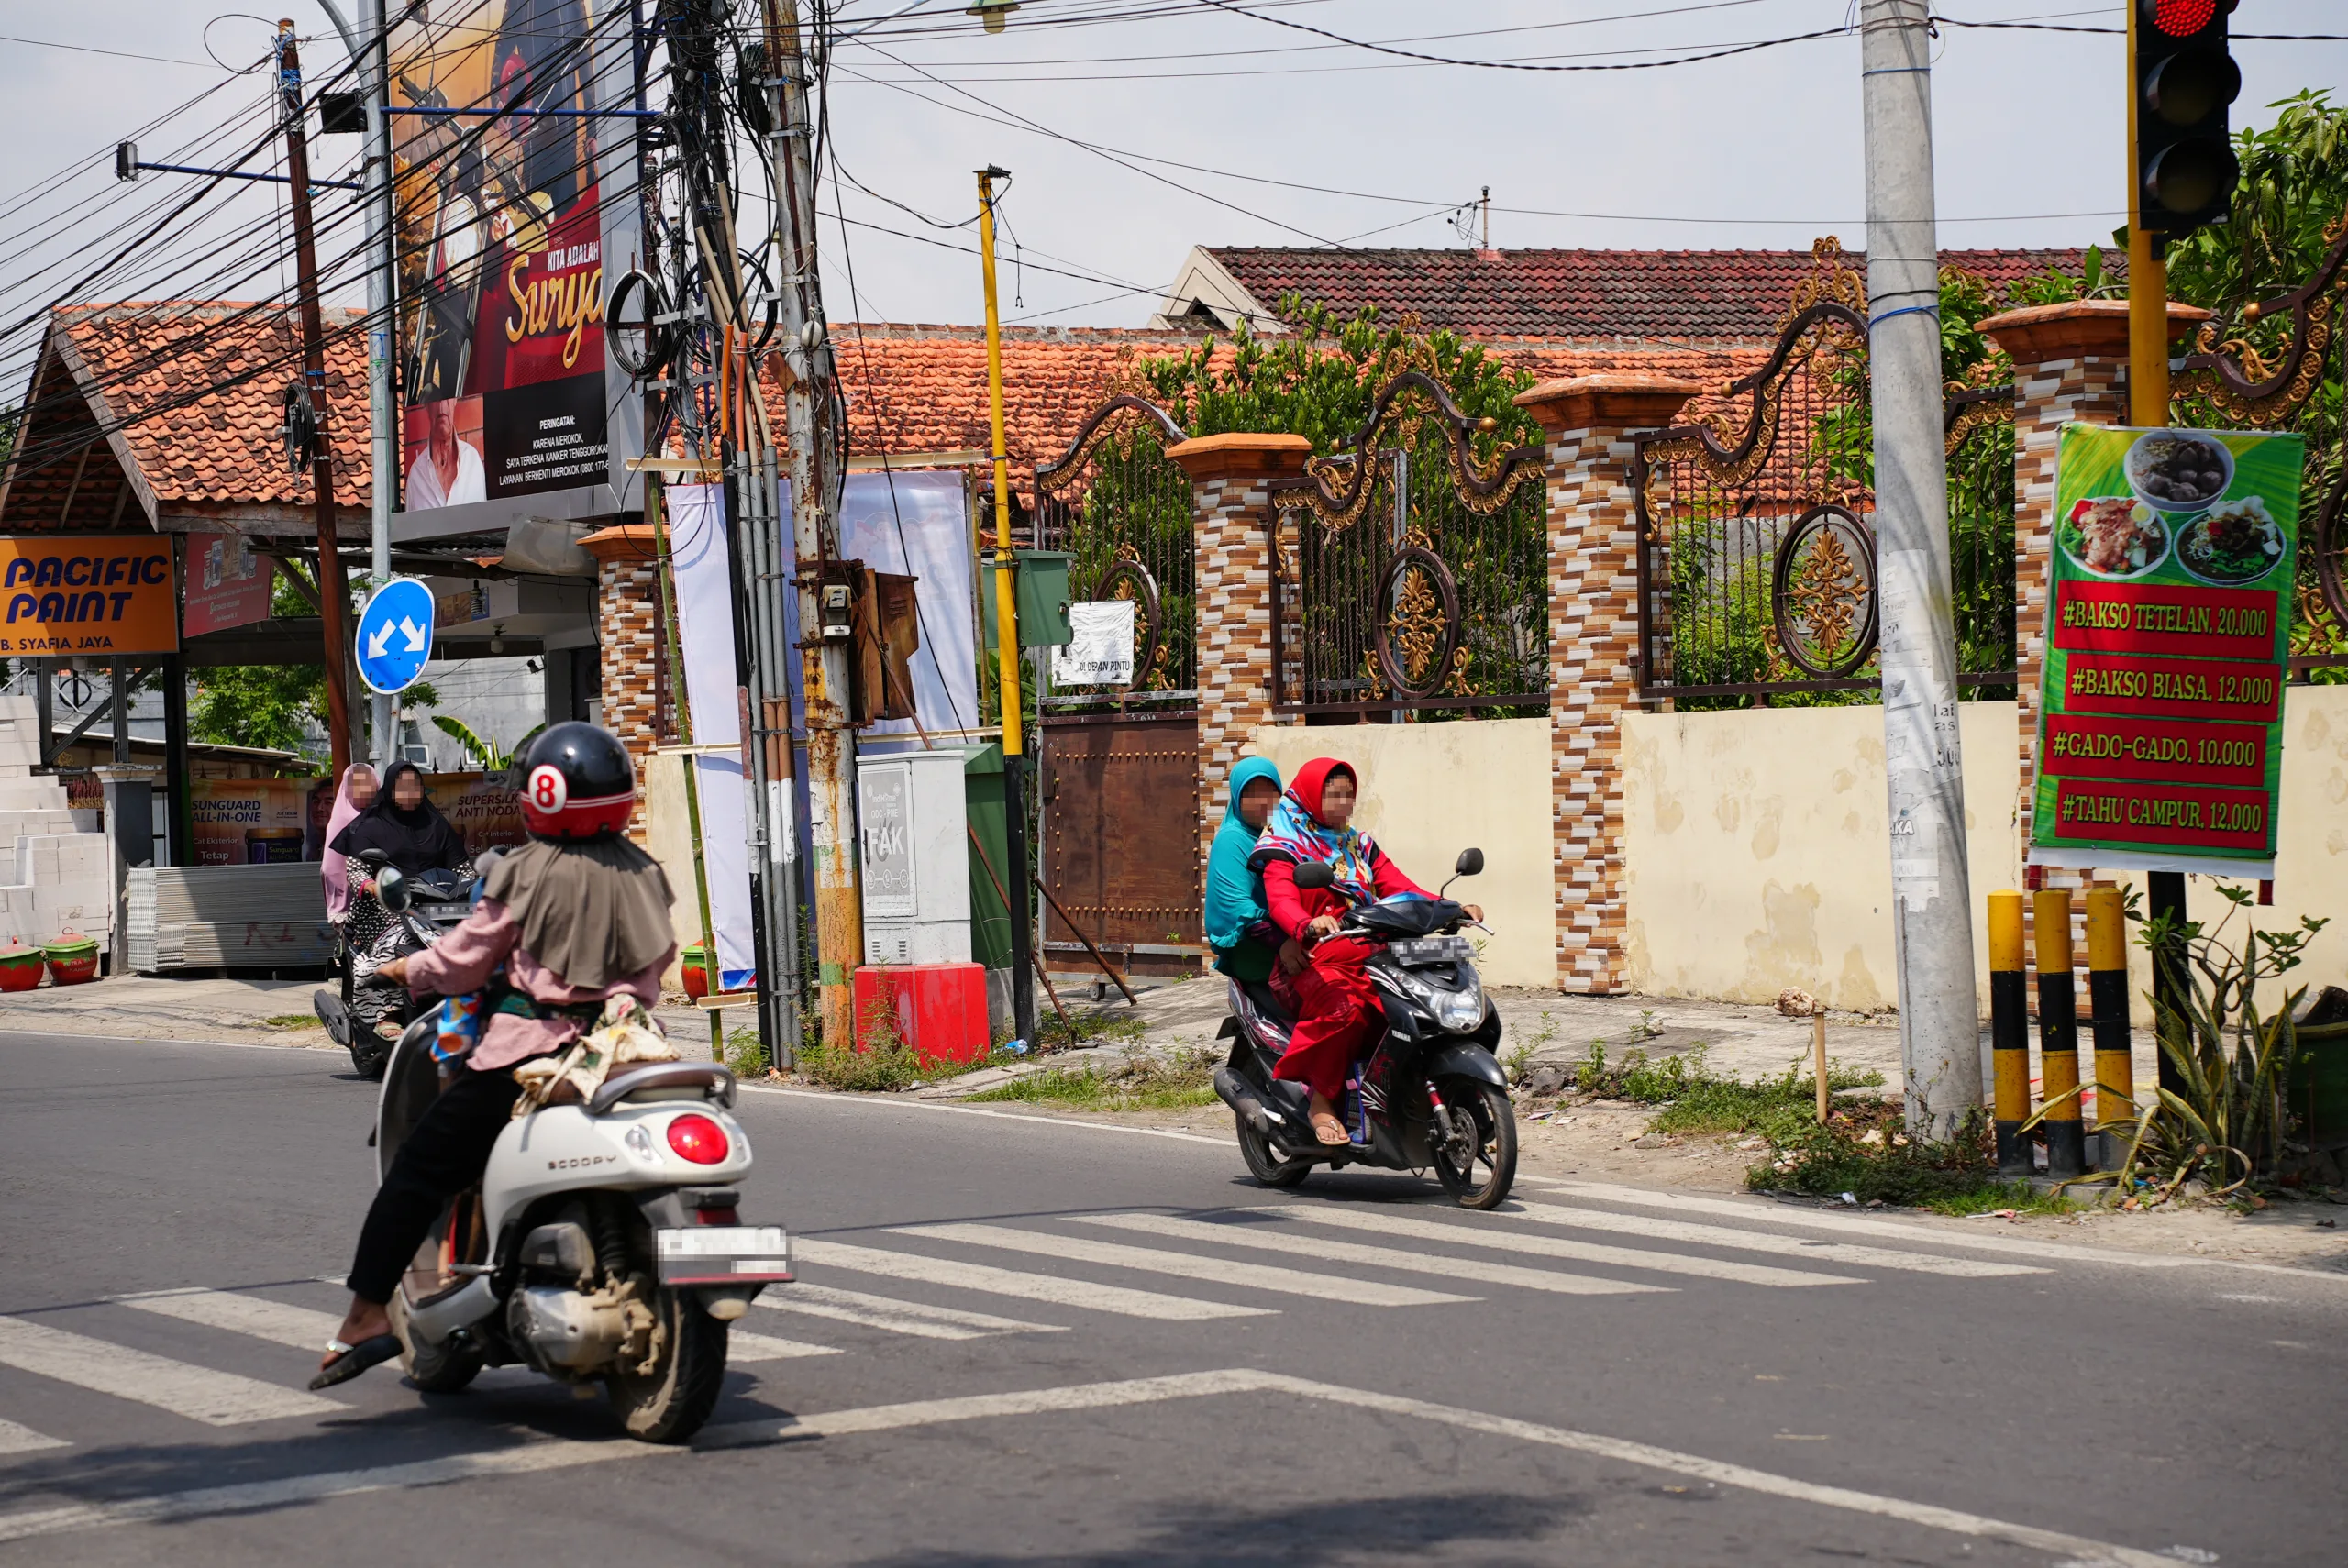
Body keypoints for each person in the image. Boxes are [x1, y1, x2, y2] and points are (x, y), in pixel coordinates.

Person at [311, 723, 676, 1388]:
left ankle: (366, 1314)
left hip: (534, 1048)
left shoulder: (525, 872)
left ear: (540, 796)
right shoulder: (645, 872)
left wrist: (404, 974)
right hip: (629, 1048)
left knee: (418, 1170)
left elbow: (462, 962)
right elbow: (659, 960)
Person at [1252, 757, 1480, 1147]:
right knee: (1347, 1012)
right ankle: (1321, 1103)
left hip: (1368, 954)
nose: (1343, 804)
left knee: (1414, 1010)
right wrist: (1307, 924)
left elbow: (1400, 888)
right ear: (1310, 795)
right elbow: (1281, 900)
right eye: (1333, 794)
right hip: (1311, 959)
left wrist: (1450, 908)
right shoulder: (1283, 847)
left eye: (1348, 795)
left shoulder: (1358, 846)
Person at [1204, 758, 1305, 1001]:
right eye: (1252, 794)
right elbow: (1239, 907)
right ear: (1237, 799)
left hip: (1294, 935)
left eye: (1270, 792)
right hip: (1258, 950)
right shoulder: (1232, 840)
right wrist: (1282, 943)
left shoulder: (1281, 835)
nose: (1263, 801)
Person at [329, 760, 467, 878]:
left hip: (435, 901)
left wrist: (469, 882)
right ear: (390, 790)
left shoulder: (437, 826)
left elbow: (460, 867)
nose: (409, 794)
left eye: (415, 787)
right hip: (385, 902)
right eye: (402, 788)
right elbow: (357, 871)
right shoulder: (367, 829)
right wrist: (369, 886)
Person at [319, 764, 379, 923]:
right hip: (351, 906)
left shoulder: (383, 815)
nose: (364, 790)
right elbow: (330, 868)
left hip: (385, 902)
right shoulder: (342, 820)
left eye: (368, 784)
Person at [404, 398, 487, 510]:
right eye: (436, 398)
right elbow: (411, 526)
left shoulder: (472, 461)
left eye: (447, 398)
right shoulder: (416, 475)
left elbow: (484, 522)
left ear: (455, 401)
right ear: (427, 405)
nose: (441, 406)